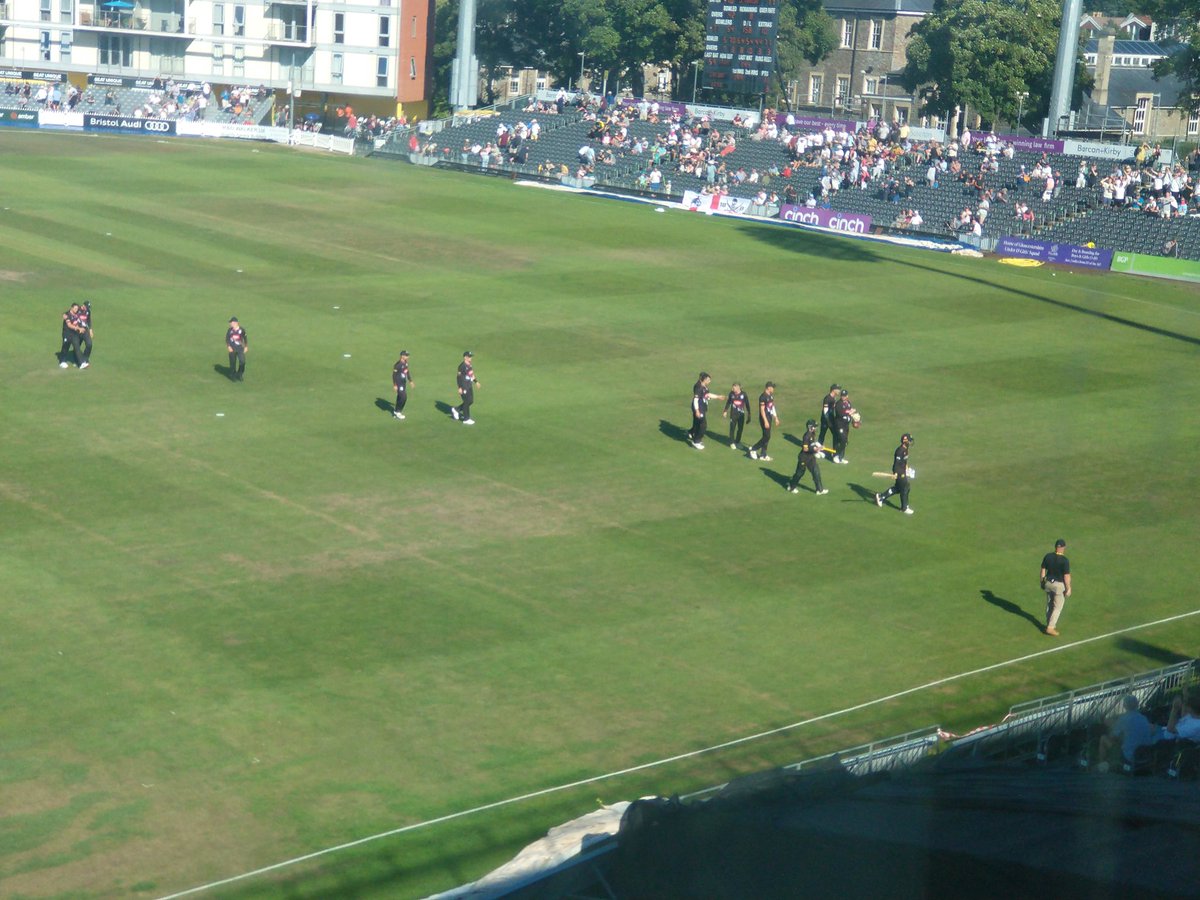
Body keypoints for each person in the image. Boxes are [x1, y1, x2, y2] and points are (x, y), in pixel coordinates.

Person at [1097, 694, 1157, 772]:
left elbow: (1113, 736)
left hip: (1129, 757)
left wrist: (1110, 727)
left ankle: (1102, 766)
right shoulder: (1144, 718)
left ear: (1124, 706)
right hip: (1145, 755)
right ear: (1137, 705)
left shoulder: (1123, 719)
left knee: (1103, 738)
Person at [875, 432, 915, 514]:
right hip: (899, 471)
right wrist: (896, 473)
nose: (910, 442)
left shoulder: (906, 450)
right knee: (905, 488)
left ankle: (881, 497)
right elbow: (897, 463)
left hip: (903, 471)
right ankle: (904, 508)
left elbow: (904, 461)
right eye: (909, 441)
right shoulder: (900, 450)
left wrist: (908, 469)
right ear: (905, 441)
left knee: (898, 488)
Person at [1040, 538, 1072, 636]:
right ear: (1063, 548)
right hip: (1058, 586)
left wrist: (1042, 582)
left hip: (1048, 583)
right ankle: (1050, 627)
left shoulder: (1048, 556)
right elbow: (1066, 576)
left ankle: (1048, 623)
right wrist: (1068, 588)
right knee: (1058, 607)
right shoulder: (1065, 560)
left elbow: (1043, 570)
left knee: (1050, 604)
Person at [787, 419, 827, 495]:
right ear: (810, 427)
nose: (815, 428)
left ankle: (819, 490)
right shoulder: (806, 436)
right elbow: (805, 449)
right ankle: (792, 486)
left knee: (816, 472)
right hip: (804, 458)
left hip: (811, 457)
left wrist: (818, 447)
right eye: (814, 427)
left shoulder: (812, 434)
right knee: (799, 473)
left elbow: (812, 444)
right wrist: (816, 449)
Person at [687, 372, 723, 450]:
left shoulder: (704, 387)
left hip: (702, 408)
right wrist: (697, 411)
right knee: (703, 425)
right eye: (708, 380)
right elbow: (696, 400)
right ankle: (696, 441)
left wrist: (717, 397)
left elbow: (708, 395)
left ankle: (692, 434)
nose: (709, 381)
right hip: (699, 409)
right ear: (704, 380)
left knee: (697, 424)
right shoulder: (698, 387)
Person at [748, 381, 778, 461]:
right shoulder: (762, 397)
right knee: (767, 436)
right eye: (772, 387)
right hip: (764, 419)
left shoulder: (770, 396)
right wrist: (765, 421)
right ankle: (754, 449)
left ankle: (763, 455)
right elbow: (762, 410)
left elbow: (772, 407)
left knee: (767, 437)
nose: (773, 389)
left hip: (769, 418)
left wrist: (776, 417)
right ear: (768, 388)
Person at [452, 350, 478, 424]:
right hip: (463, 386)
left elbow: (471, 374)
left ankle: (456, 409)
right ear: (465, 357)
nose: (471, 358)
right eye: (469, 357)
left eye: (471, 357)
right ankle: (466, 419)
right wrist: (460, 387)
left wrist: (476, 382)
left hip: (469, 385)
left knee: (470, 401)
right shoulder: (461, 366)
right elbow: (458, 377)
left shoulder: (469, 365)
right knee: (466, 401)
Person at [831, 388, 855, 464]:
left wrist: (854, 417)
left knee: (844, 442)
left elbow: (850, 411)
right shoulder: (838, 404)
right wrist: (850, 412)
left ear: (847, 396)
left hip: (846, 425)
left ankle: (841, 457)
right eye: (842, 396)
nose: (843, 397)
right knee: (843, 440)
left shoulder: (848, 403)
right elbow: (840, 414)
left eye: (844, 396)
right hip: (839, 425)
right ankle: (835, 455)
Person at [723, 382, 749, 449]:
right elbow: (728, 402)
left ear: (738, 387)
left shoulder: (744, 394)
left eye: (733, 387)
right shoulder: (731, 394)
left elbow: (747, 404)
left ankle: (737, 441)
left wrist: (749, 413)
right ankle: (732, 443)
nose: (732, 389)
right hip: (733, 414)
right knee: (732, 428)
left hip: (741, 414)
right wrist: (725, 411)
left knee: (740, 429)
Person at [391, 350, 413, 419]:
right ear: (402, 356)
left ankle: (396, 411)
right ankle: (398, 412)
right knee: (404, 397)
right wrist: (394, 385)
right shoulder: (398, 365)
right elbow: (393, 375)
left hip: (403, 383)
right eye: (406, 355)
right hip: (398, 383)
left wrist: (410, 381)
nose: (408, 357)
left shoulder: (406, 363)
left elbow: (407, 371)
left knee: (400, 397)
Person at [225, 317, 248, 381]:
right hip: (232, 349)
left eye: (231, 322)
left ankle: (239, 374)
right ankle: (232, 375)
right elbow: (227, 339)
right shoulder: (230, 330)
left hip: (240, 349)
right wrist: (228, 346)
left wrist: (246, 346)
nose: (230, 323)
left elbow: (245, 338)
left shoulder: (242, 330)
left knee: (242, 362)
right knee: (233, 363)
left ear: (235, 323)